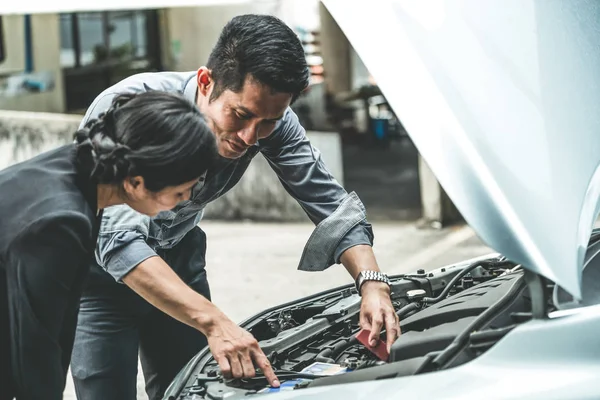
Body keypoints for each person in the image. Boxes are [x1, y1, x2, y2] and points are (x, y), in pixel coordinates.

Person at [71, 14, 400, 400]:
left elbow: (330, 204)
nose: (249, 137)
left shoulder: (273, 122)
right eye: (241, 115)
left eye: (267, 122)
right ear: (207, 81)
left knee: (189, 389)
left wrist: (372, 284)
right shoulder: (128, 106)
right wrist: (216, 323)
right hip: (98, 278)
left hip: (179, 255)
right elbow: (118, 239)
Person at [0, 91, 218, 400]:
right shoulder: (62, 221)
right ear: (135, 183)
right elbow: (35, 347)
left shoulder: (75, 167)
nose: (186, 201)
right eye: (181, 192)